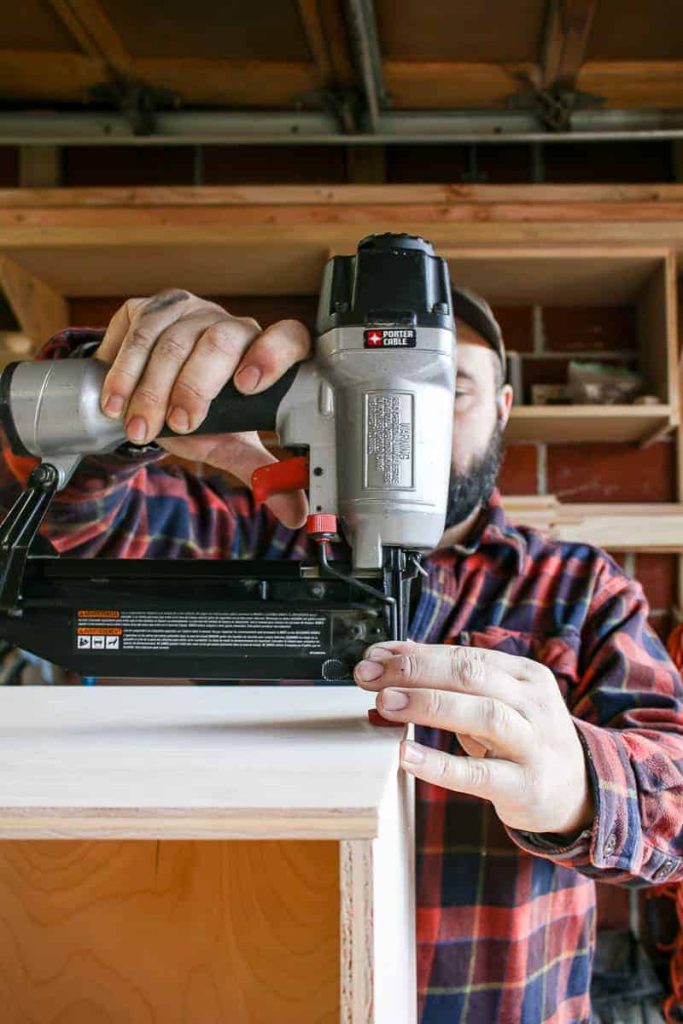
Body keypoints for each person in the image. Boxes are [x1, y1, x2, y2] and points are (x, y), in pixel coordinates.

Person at [1, 287, 682, 1024]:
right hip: (275, 989)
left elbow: (674, 803)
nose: (409, 427)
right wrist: (131, 385)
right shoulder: (248, 532)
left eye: (448, 389)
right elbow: (79, 518)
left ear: (502, 408)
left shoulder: (578, 589)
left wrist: (575, 784)